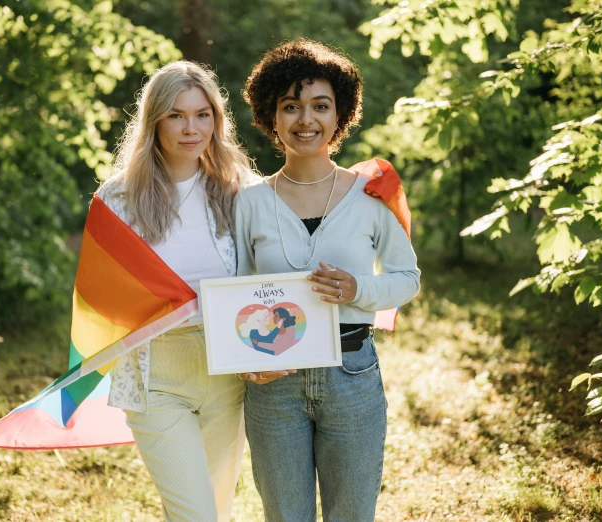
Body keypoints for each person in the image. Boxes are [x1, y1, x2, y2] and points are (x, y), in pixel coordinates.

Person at [234, 39, 421, 522]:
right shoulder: (248, 202)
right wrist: (247, 363)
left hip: (352, 374)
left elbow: (407, 279)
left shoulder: (372, 195)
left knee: (352, 515)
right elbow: (233, 293)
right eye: (290, 106)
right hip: (274, 383)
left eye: (320, 106)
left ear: (341, 115)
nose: (305, 120)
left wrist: (360, 290)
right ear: (269, 116)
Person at [97, 60, 256, 521]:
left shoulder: (240, 190)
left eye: (202, 114)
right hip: (156, 374)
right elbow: (103, 297)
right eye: (177, 115)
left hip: (228, 371)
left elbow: (279, 256)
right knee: (196, 515)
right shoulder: (118, 198)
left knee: (217, 509)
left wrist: (353, 192)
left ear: (217, 120)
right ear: (154, 120)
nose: (192, 128)